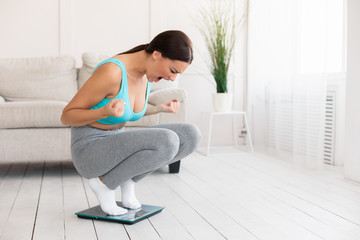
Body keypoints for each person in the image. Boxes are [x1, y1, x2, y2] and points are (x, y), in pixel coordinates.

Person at [61, 30, 202, 215]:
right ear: (157, 55)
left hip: (116, 145)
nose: (173, 79)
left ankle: (127, 179)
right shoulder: (112, 72)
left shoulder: (146, 75)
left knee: (191, 135)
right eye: (172, 71)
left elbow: (123, 113)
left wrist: (158, 108)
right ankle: (104, 184)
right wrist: (103, 111)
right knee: (168, 140)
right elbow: (67, 116)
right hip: (90, 152)